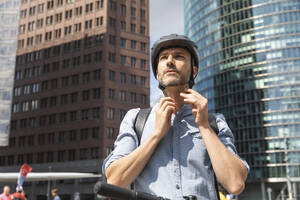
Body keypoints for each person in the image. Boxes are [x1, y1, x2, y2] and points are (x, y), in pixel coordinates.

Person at [102, 34, 249, 199]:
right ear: (157, 74)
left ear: (194, 71)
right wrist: (156, 134)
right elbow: (114, 181)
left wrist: (204, 126)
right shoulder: (135, 119)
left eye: (179, 56)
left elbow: (235, 183)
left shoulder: (215, 122)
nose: (170, 61)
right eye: (164, 58)